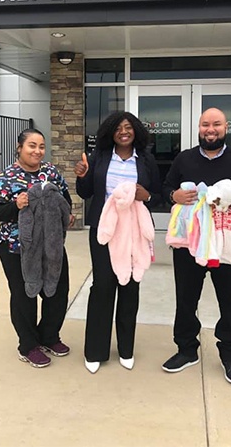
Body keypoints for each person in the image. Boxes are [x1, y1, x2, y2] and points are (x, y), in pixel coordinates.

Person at [162, 108, 231, 384]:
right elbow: (166, 189)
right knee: (186, 299)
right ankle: (186, 350)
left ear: (226, 127)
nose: (211, 129)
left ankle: (230, 355)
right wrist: (174, 195)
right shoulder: (184, 159)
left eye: (216, 124)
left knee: (230, 300)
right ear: (199, 128)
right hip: (189, 243)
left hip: (225, 244)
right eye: (206, 124)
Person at [74, 111, 161, 374]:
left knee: (130, 286)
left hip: (133, 231)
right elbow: (85, 193)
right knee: (103, 286)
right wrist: (82, 175)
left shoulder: (146, 160)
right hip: (104, 229)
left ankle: (126, 348)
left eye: (128, 127)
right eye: (118, 128)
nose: (124, 131)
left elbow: (157, 197)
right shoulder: (98, 158)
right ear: (110, 132)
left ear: (135, 131)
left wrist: (146, 196)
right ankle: (95, 351)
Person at [0, 128, 75, 368]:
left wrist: (68, 214)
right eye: (32, 146)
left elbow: (65, 198)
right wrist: (16, 205)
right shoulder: (5, 178)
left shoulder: (51, 172)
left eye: (41, 146)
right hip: (16, 247)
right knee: (25, 294)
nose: (37, 151)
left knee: (57, 290)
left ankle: (49, 336)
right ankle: (28, 345)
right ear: (19, 147)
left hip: (51, 243)